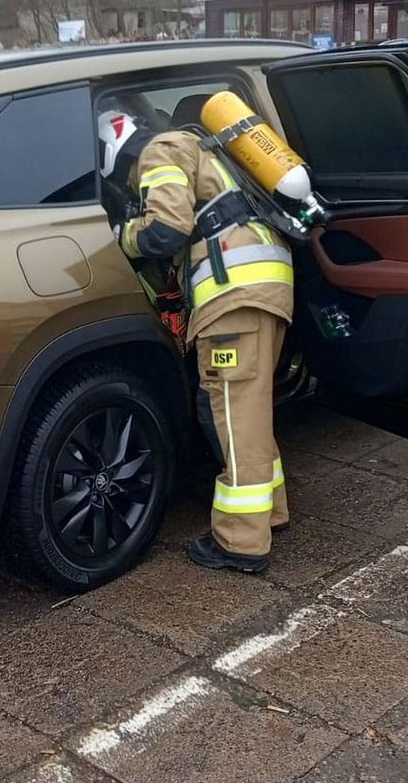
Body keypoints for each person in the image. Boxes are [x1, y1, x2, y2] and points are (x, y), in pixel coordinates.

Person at [101, 106, 294, 574]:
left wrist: (122, 234)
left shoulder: (158, 151)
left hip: (234, 295)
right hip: (262, 285)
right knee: (247, 409)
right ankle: (271, 513)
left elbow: (167, 228)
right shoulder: (192, 147)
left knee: (236, 417)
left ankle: (240, 542)